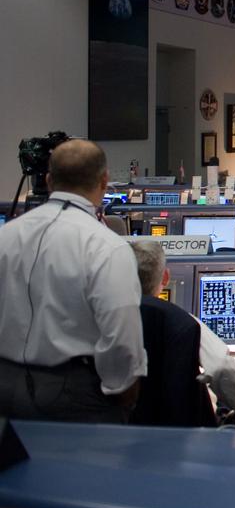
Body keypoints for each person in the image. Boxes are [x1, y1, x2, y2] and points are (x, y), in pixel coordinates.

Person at [0, 140, 146, 423]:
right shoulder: (106, 247)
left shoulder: (6, 236)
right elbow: (121, 339)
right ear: (104, 181)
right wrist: (121, 394)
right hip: (75, 395)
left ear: (49, 180)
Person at [130, 241, 235, 419]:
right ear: (165, 277)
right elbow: (221, 368)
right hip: (184, 435)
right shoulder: (178, 320)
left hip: (117, 431)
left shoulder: (102, 317)